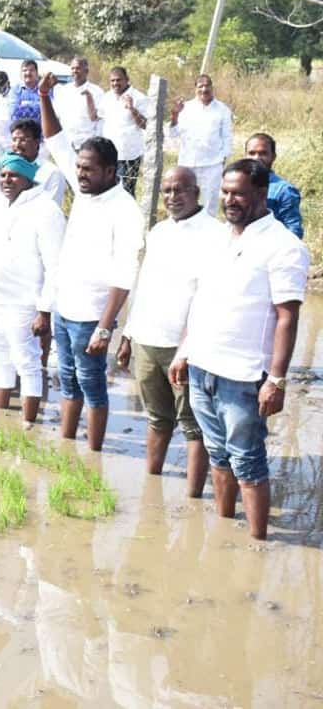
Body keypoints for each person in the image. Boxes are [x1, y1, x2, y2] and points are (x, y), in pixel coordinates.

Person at [170, 158, 309, 540]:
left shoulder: (284, 246)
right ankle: (223, 531)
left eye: (239, 194)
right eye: (226, 193)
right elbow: (201, 300)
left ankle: (257, 543)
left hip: (245, 377)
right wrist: (184, 351)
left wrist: (276, 380)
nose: (230, 200)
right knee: (218, 456)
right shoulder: (216, 237)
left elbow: (287, 317)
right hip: (202, 368)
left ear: (261, 195)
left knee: (248, 463)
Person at [38, 72, 145, 452]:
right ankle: (69, 447)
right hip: (65, 307)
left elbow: (126, 272)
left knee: (93, 386)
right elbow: (55, 140)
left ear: (110, 172)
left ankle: (94, 454)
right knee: (66, 378)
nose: (79, 174)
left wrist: (105, 326)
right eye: (79, 168)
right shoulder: (84, 190)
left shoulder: (125, 209)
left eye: (88, 169)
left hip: (91, 316)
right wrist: (45, 95)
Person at [115, 167, 222, 493]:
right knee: (156, 418)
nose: (173, 197)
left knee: (193, 425)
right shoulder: (159, 232)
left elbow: (210, 298)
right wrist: (128, 335)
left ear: (197, 192)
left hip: (186, 348)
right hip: (148, 339)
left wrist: (190, 349)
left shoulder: (216, 234)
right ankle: (152, 488)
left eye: (181, 190)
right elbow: (143, 286)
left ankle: (192, 496)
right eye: (167, 191)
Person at [0, 97, 66, 422]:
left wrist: (44, 310)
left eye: (13, 177)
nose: (6, 180)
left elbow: (55, 267)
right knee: (3, 359)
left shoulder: (46, 209)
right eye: (3, 176)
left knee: (28, 363)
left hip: (24, 303)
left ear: (27, 179)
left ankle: (27, 426)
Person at [168, 74, 233, 216]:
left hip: (212, 165)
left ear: (212, 87)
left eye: (207, 85)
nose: (204, 89)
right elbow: (173, 133)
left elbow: (227, 137)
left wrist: (223, 159)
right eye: (200, 86)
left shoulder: (222, 109)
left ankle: (208, 234)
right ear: (195, 89)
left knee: (210, 203)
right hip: (188, 163)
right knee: (184, 199)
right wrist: (174, 116)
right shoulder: (185, 108)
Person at [99, 67, 149, 197]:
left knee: (126, 192)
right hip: (109, 154)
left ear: (127, 80)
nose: (115, 83)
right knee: (109, 191)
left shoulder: (139, 98)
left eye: (118, 80)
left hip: (128, 154)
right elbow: (100, 119)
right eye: (112, 81)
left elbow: (145, 125)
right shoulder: (106, 97)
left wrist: (132, 109)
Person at [244, 133, 303, 239]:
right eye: (252, 153)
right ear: (245, 156)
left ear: (273, 157)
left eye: (263, 153)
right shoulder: (238, 185)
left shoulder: (285, 191)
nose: (257, 158)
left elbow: (294, 230)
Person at [52, 56, 103, 149]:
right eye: (73, 68)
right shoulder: (64, 90)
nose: (75, 71)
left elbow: (98, 118)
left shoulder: (96, 91)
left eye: (78, 68)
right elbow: (57, 116)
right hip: (67, 142)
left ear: (86, 71)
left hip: (87, 142)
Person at [6, 60, 42, 126]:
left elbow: (47, 111)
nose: (28, 73)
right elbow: (13, 112)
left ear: (37, 73)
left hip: (41, 130)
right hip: (22, 129)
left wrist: (24, 104)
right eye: (24, 70)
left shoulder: (44, 88)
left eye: (31, 70)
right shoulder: (15, 90)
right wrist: (37, 106)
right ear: (20, 74)